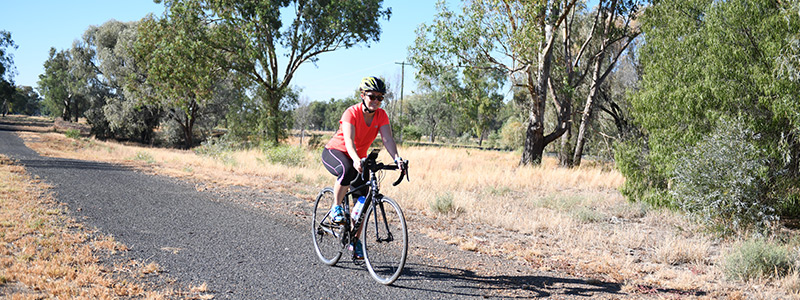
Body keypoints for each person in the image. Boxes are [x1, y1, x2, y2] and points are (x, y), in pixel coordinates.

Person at [320, 76, 404, 259]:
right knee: (348, 170)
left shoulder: (381, 115)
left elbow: (387, 139)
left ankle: (354, 240)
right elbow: (349, 141)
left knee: (366, 198)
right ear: (363, 95)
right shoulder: (351, 112)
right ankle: (336, 207)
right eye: (372, 96)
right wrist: (357, 159)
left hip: (359, 157)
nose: (376, 101)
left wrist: (397, 159)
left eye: (380, 98)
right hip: (336, 151)